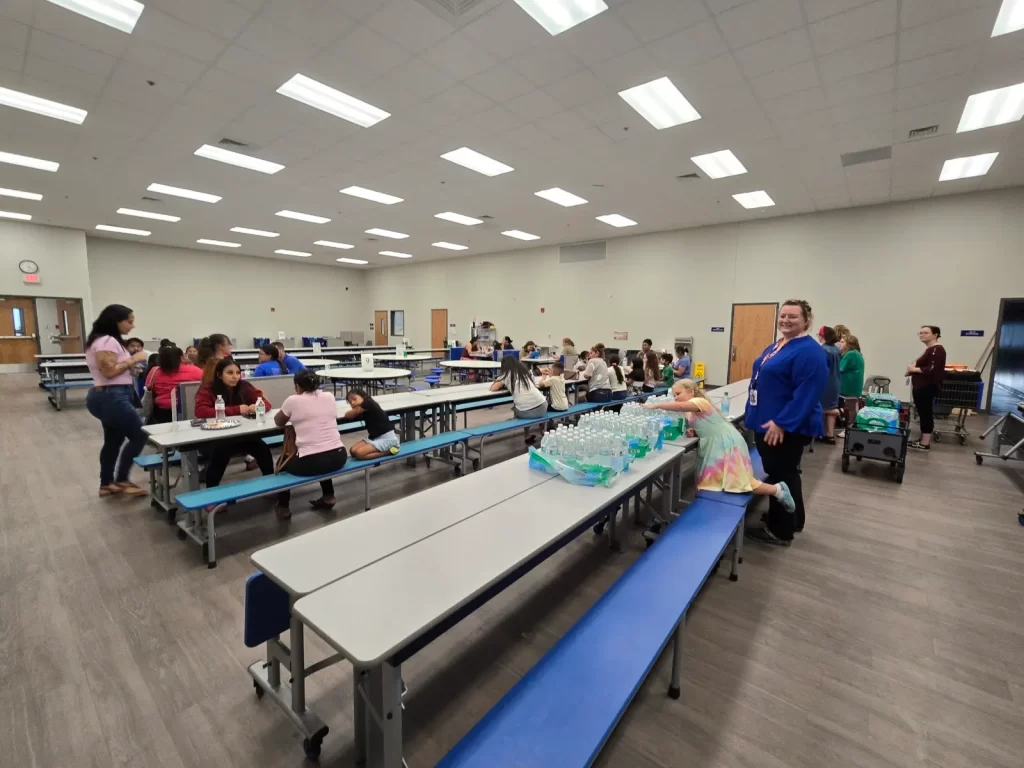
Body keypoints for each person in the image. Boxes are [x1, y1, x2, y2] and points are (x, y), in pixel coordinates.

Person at [744, 299, 828, 547]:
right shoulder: (781, 344)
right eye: (783, 316)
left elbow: (808, 392)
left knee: (781, 474)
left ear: (806, 321)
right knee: (787, 473)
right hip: (770, 421)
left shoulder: (809, 351)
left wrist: (782, 423)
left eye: (793, 317)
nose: (786, 320)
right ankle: (794, 519)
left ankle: (780, 531)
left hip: (782, 427)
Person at [645, 379, 795, 509]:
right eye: (674, 396)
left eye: (678, 394)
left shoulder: (699, 401)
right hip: (714, 445)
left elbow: (680, 407)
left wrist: (657, 405)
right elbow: (703, 422)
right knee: (712, 481)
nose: (676, 398)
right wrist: (695, 431)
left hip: (726, 443)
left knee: (738, 481)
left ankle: (777, 490)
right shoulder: (691, 408)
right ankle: (712, 511)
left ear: (690, 391)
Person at [84, 304, 150, 497]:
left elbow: (111, 370)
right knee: (139, 435)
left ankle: (106, 483)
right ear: (116, 321)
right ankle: (122, 480)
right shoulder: (107, 341)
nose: (133, 325)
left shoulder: (106, 340)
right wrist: (135, 358)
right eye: (129, 321)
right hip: (111, 395)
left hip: (111, 394)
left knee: (113, 440)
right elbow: (109, 371)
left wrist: (130, 368)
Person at [274, 371, 348, 519]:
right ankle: (328, 496)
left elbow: (278, 422)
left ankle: (283, 506)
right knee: (322, 451)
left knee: (282, 463)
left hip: (313, 463)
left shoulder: (293, 400)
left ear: (297, 386)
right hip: (340, 456)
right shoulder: (329, 396)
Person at [194, 359, 274, 488]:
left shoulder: (244, 386)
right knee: (220, 453)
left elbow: (266, 403)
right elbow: (200, 411)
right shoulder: (208, 388)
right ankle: (211, 495)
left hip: (242, 434)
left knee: (262, 449)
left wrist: (258, 406)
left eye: (237, 373)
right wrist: (236, 410)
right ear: (219, 375)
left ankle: (271, 484)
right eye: (230, 373)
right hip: (217, 436)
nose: (235, 376)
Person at [907, 325, 947, 451]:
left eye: (925, 333)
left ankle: (925, 443)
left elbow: (932, 369)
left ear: (935, 335)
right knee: (923, 413)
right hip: (921, 386)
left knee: (925, 414)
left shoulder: (937, 350)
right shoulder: (930, 350)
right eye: (920, 333)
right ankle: (922, 440)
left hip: (926, 387)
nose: (922, 335)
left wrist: (914, 369)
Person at [491, 356, 547, 442]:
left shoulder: (506, 374)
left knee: (521, 407)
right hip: (543, 407)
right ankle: (542, 430)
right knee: (527, 403)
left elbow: (494, 388)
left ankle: (527, 435)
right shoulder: (526, 371)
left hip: (526, 412)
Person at [144, 345, 202, 424]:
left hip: (162, 413)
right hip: (188, 411)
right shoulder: (196, 371)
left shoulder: (154, 371)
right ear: (181, 358)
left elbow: (148, 386)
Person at [344, 388, 400, 459]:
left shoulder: (368, 403)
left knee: (359, 453)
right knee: (352, 451)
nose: (352, 403)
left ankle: (388, 451)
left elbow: (348, 415)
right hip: (374, 437)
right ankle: (379, 449)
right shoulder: (363, 407)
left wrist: (353, 411)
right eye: (350, 402)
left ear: (363, 396)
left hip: (387, 438)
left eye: (354, 399)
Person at [817, 326, 842, 444]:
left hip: (825, 384)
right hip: (835, 383)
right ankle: (830, 435)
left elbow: (820, 369)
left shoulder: (823, 350)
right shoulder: (836, 349)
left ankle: (819, 433)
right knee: (831, 409)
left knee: (820, 409)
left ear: (823, 336)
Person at [839, 334, 865, 398]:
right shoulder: (858, 354)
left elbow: (839, 369)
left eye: (842, 342)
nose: (839, 344)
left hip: (847, 390)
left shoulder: (849, 354)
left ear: (849, 344)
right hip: (856, 390)